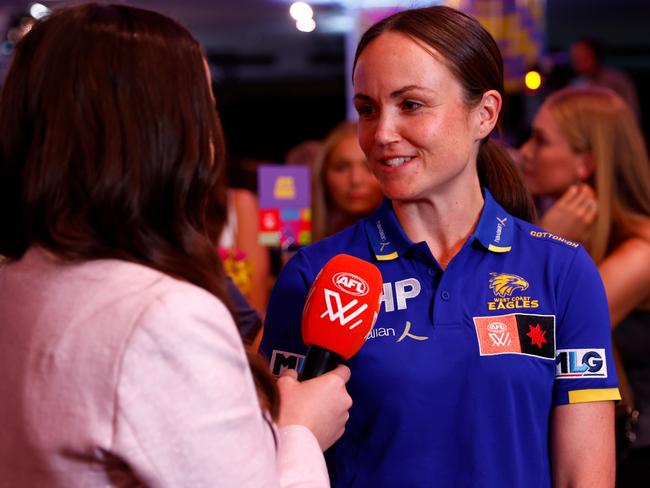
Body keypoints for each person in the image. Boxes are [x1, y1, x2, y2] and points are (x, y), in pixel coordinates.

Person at [260, 6, 620, 487]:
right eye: (368, 109)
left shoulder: (563, 270)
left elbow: (585, 478)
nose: (382, 134)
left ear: (485, 114)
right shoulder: (315, 275)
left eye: (411, 105)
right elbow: (273, 460)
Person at [0, 3, 352, 486]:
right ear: (161, 131)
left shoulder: (16, 281)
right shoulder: (163, 318)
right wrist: (299, 430)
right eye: (203, 106)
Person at [519, 86, 650, 487]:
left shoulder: (641, 250)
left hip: (636, 457)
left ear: (585, 162)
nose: (524, 152)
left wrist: (543, 242)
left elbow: (534, 337)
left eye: (541, 141)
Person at [311, 121, 383, 242]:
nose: (355, 180)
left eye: (369, 167)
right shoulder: (297, 245)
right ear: (323, 174)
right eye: (341, 168)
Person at [570, 38, 640, 120]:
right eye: (576, 57)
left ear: (596, 55)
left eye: (583, 56)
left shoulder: (617, 80)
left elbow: (632, 111)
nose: (578, 60)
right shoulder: (575, 85)